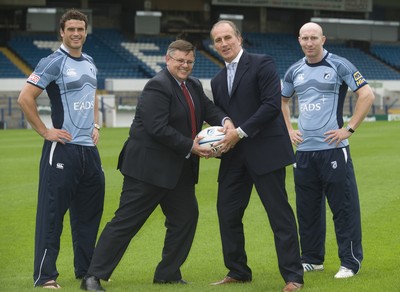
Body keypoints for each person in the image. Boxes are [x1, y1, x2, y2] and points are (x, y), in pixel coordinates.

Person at [80, 39, 234, 291]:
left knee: (185, 218)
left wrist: (225, 120)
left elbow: (209, 109)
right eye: (180, 60)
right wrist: (192, 147)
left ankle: (168, 273)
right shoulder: (157, 86)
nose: (185, 65)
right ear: (168, 59)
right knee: (126, 222)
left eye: (189, 61)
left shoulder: (193, 85)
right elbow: (157, 128)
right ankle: (92, 277)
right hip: (147, 169)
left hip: (179, 170)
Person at [208, 20, 304, 292]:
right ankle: (238, 271)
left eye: (228, 37)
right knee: (227, 213)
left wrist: (239, 132)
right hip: (234, 159)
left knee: (279, 216)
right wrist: (221, 135)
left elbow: (272, 105)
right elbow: (223, 116)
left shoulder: (262, 63)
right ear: (213, 45)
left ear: (239, 38)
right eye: (218, 40)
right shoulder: (216, 80)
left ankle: (293, 276)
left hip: (266, 153)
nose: (224, 44)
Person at [17, 9, 105, 289]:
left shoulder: (90, 62)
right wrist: (45, 131)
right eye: (71, 29)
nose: (76, 34)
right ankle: (45, 276)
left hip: (89, 151)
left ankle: (86, 272)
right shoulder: (53, 62)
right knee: (53, 215)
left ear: (86, 31)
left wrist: (96, 125)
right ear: (62, 32)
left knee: (89, 215)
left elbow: (92, 97)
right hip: (62, 149)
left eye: (81, 29)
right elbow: (25, 98)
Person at [281, 22, 375, 279]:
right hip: (304, 152)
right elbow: (283, 100)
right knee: (307, 208)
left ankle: (350, 262)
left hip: (334, 149)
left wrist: (349, 129)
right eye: (304, 38)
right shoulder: (294, 71)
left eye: (314, 38)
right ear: (298, 40)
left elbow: (367, 95)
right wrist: (289, 130)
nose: (309, 42)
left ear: (323, 39)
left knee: (343, 208)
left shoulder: (340, 65)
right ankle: (312, 259)